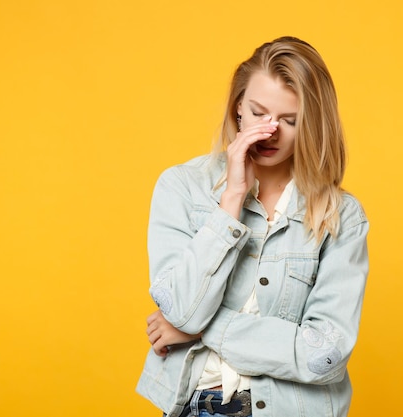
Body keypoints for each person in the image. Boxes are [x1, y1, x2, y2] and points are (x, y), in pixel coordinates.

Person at [136, 36, 369, 417]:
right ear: (237, 107)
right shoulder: (182, 187)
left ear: (312, 125)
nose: (270, 130)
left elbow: (324, 353)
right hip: (197, 406)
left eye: (290, 121)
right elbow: (179, 310)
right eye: (258, 112)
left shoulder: (342, 216)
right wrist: (231, 200)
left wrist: (206, 330)